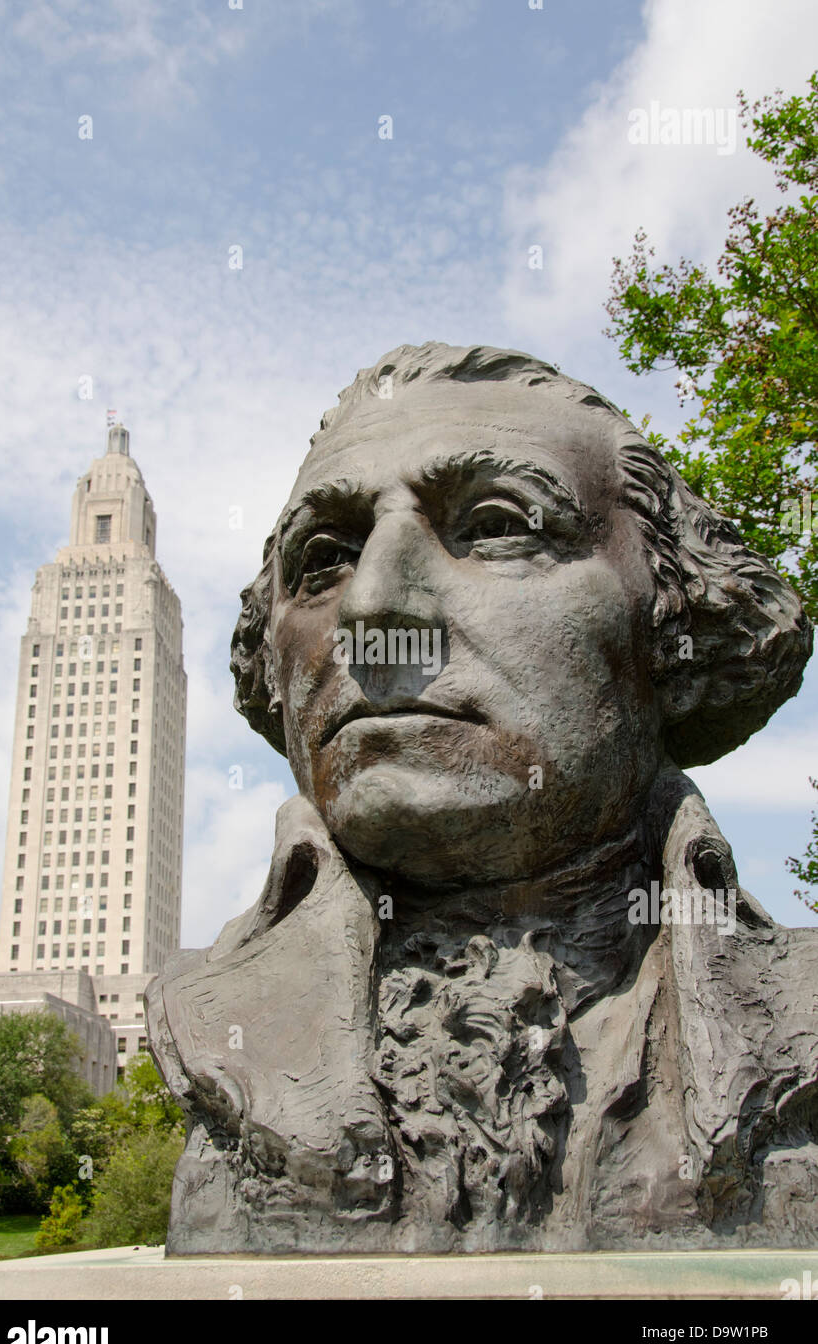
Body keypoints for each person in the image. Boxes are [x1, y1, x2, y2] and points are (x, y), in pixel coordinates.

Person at [147, 342, 817, 1254]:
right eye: (326, 557)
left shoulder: (797, 1027)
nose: (374, 610)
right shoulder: (212, 1025)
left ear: (671, 621)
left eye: (497, 525)